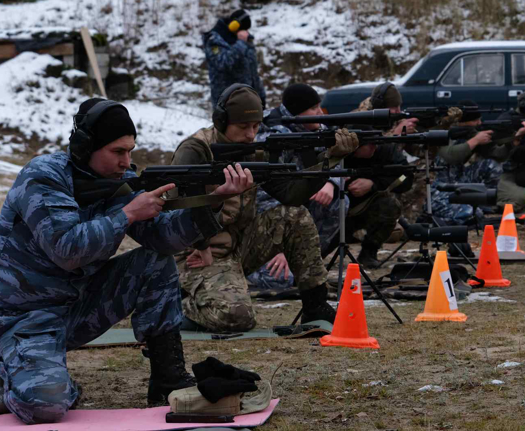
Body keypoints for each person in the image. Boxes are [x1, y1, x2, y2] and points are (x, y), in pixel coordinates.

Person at [0, 98, 255, 424]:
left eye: (130, 150)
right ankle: (15, 381)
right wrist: (128, 213)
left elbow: (162, 237)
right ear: (86, 147)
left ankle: (168, 379)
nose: (127, 161)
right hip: (24, 318)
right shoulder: (43, 178)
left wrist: (213, 202)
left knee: (155, 261)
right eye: (117, 152)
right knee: (48, 406)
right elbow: (67, 250)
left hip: (78, 306)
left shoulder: (115, 183)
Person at [171, 84, 359, 332]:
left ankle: (316, 305)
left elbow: (291, 196)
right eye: (243, 127)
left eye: (256, 126)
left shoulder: (252, 151)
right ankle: (177, 303)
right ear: (221, 121)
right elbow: (177, 209)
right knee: (236, 318)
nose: (251, 134)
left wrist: (327, 160)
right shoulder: (196, 150)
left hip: (237, 246)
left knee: (295, 216)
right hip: (198, 254)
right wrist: (202, 244)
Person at [248, 83, 347, 291]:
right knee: (278, 282)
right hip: (266, 218)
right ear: (297, 112)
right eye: (313, 109)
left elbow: (338, 162)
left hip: (298, 206)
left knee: (340, 201)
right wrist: (279, 246)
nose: (320, 113)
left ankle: (307, 259)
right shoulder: (271, 134)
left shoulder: (317, 130)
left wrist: (330, 183)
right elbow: (266, 196)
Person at [429, 99, 525, 225]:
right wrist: (475, 141)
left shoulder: (472, 133)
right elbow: (451, 156)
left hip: (460, 181)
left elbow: (497, 155)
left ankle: (481, 201)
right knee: (470, 215)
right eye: (475, 120)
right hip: (437, 188)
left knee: (491, 165)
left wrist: (515, 140)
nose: (479, 123)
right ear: (461, 122)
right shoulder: (442, 132)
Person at [341, 137, 415, 268]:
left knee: (390, 206)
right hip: (338, 209)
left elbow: (405, 176)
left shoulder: (387, 150)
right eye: (369, 144)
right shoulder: (340, 152)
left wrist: (374, 184)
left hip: (368, 207)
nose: (374, 147)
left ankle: (369, 253)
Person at [203, 9, 267, 108]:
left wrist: (261, 95)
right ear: (234, 25)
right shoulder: (214, 40)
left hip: (250, 99)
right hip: (228, 102)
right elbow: (223, 63)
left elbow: (253, 72)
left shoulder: (244, 39)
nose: (246, 32)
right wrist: (241, 43)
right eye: (243, 29)